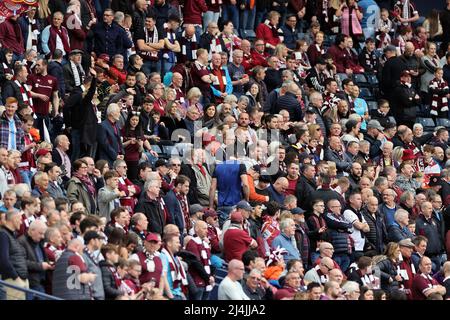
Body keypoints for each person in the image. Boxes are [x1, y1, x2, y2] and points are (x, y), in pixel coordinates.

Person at [0, 210, 29, 300]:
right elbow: (3, 260)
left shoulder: (12, 235)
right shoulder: (3, 235)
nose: (21, 223)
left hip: (20, 279)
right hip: (13, 281)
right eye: (20, 219)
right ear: (14, 219)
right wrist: (16, 277)